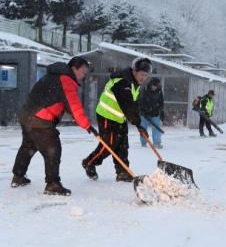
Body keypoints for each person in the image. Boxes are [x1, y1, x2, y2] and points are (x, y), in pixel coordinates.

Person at [11, 57, 91, 196]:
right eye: (83, 71)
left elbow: (59, 101)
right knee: (52, 149)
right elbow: (73, 106)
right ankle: (52, 184)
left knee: (28, 146)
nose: (84, 75)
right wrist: (87, 125)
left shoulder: (52, 76)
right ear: (74, 68)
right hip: (40, 119)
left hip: (27, 116)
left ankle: (18, 177)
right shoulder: (66, 80)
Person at [82, 57, 150, 182]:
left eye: (146, 75)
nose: (143, 78)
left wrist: (139, 122)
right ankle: (89, 162)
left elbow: (133, 105)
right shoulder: (123, 81)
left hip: (119, 117)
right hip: (107, 115)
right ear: (134, 70)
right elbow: (127, 105)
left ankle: (123, 171)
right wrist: (138, 124)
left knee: (123, 145)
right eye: (142, 74)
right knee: (109, 144)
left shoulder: (134, 84)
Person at [139, 77, 164, 149]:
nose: (155, 87)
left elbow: (161, 101)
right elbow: (140, 101)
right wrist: (142, 110)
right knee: (143, 127)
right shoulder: (145, 89)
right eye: (154, 86)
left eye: (156, 86)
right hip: (144, 113)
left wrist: (161, 110)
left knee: (156, 127)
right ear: (151, 84)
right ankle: (143, 142)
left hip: (155, 112)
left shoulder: (159, 91)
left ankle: (157, 143)